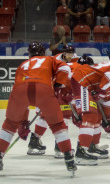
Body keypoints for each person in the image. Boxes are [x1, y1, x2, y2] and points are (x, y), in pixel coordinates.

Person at [0, 41, 76, 174]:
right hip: (43, 90)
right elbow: (65, 68)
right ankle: (68, 157)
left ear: (29, 54)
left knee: (9, 125)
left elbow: (21, 97)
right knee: (58, 125)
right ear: (43, 53)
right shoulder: (49, 59)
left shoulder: (22, 65)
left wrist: (23, 122)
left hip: (20, 90)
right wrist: (59, 85)